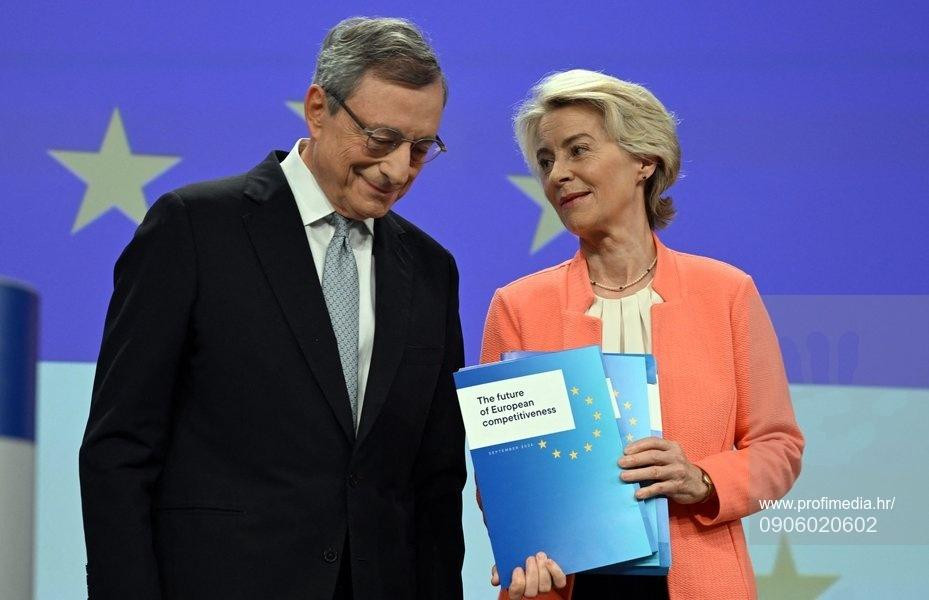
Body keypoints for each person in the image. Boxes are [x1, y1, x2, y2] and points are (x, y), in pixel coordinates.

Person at [79, 17, 465, 600]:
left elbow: (435, 481)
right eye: (380, 138)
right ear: (318, 109)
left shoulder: (432, 269)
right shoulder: (194, 229)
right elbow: (119, 450)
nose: (398, 169)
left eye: (420, 148)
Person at [480, 69, 804, 600]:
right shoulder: (517, 306)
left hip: (698, 578)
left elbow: (778, 447)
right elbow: (503, 474)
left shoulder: (726, 292)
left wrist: (703, 479)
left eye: (578, 150)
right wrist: (520, 536)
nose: (558, 174)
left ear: (644, 160)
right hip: (563, 585)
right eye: (546, 160)